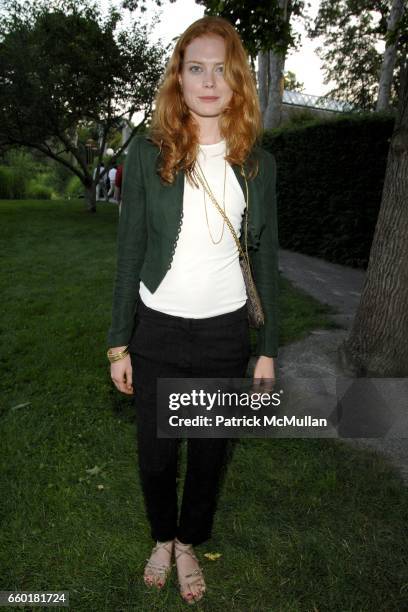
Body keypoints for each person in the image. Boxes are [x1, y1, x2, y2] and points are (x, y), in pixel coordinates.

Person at [106, 15, 279, 605]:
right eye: (195, 67)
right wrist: (118, 342)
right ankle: (161, 536)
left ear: (238, 81)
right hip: (156, 330)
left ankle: (187, 543)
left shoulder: (257, 163)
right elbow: (129, 256)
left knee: (207, 457)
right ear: (178, 77)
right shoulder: (150, 154)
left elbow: (268, 263)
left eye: (220, 70)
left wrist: (267, 351)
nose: (208, 81)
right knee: (156, 459)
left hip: (225, 335)